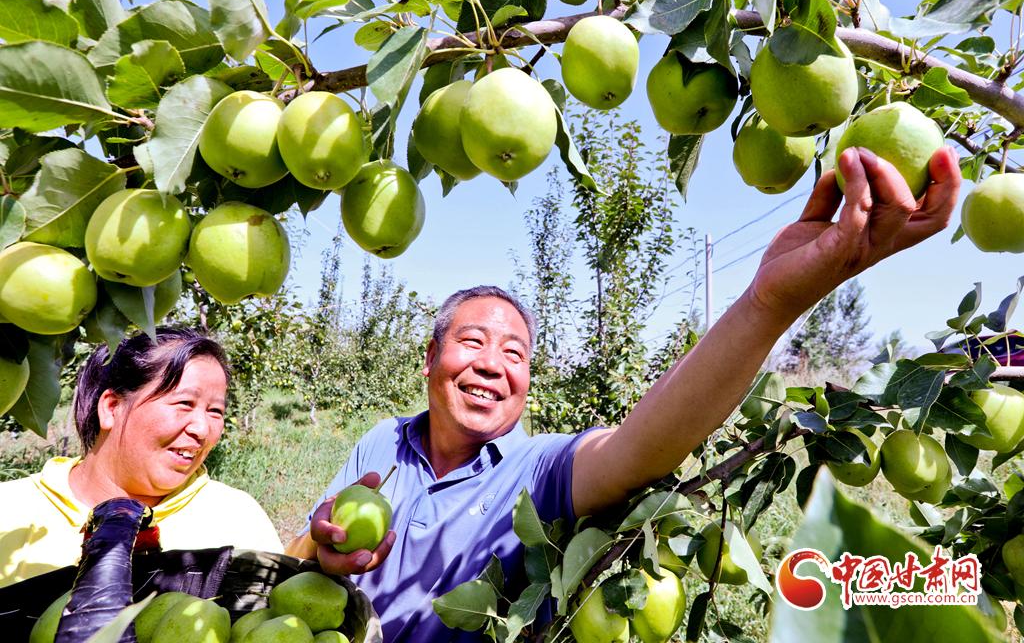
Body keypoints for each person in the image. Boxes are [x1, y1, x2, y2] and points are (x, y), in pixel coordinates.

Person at [287, 147, 963, 641]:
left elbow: (645, 444)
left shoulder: (538, 474)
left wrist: (768, 303)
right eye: (472, 343)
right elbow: (304, 556)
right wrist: (322, 551)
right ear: (429, 357)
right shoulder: (382, 442)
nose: (493, 364)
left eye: (515, 352)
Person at [0, 327, 283, 587]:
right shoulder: (10, 510)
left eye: (215, 411)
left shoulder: (236, 517)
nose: (202, 429)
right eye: (184, 403)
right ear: (112, 408)